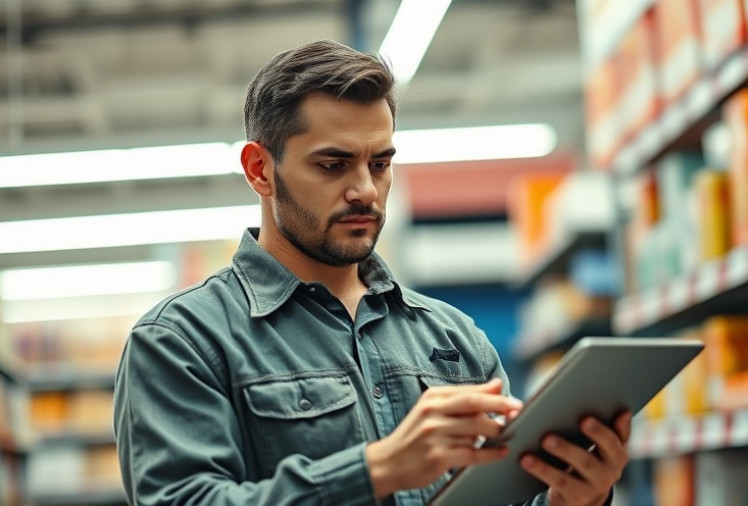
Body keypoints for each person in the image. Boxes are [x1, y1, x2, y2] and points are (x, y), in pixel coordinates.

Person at [113, 39, 630, 506]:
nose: (364, 189)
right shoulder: (181, 342)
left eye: (380, 164)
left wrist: (573, 496)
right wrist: (376, 469)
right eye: (333, 164)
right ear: (259, 170)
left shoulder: (454, 337)